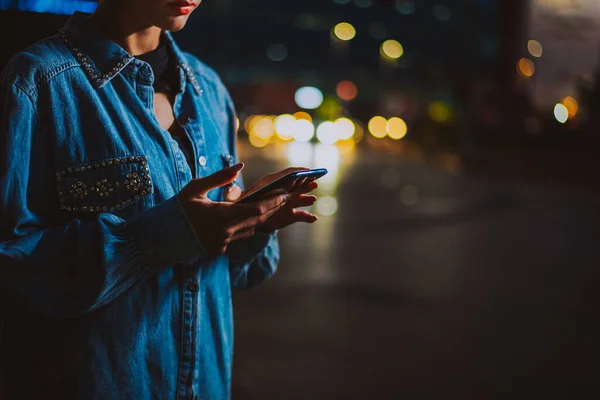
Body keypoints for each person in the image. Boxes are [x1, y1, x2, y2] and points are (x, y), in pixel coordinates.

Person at [0, 0, 319, 398]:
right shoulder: (39, 81)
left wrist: (248, 225)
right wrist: (158, 238)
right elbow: (14, 265)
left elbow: (239, 274)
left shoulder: (209, 91)